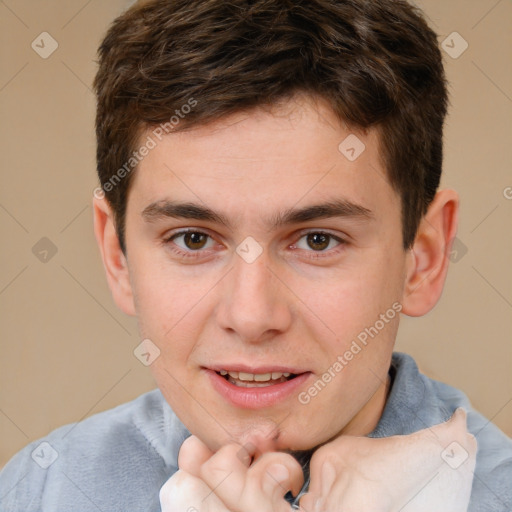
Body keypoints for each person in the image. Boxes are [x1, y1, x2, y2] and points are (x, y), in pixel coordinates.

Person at [1, 0, 511, 510]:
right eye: (193, 239)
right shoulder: (38, 491)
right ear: (118, 255)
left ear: (422, 257)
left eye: (318, 240)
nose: (251, 317)